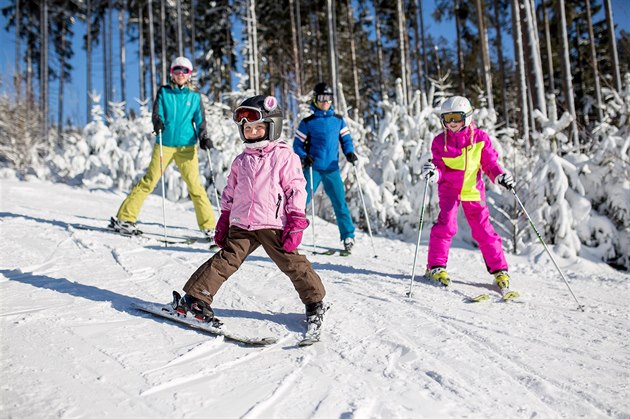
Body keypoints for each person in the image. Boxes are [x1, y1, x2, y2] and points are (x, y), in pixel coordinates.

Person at [173, 95, 327, 330]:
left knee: (292, 263)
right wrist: (225, 218)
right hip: (242, 224)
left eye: (258, 128)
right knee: (225, 260)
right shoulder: (241, 161)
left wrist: (296, 219)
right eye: (248, 129)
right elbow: (230, 192)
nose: (252, 133)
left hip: (272, 223)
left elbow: (296, 187)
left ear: (272, 127)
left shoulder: (283, 155)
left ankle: (315, 301)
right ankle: (195, 298)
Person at [109, 56, 216, 241]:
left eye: (184, 71)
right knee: (149, 181)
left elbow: (200, 121)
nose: (180, 74)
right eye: (177, 70)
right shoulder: (164, 92)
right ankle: (124, 219)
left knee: (196, 187)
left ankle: (210, 228)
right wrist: (157, 122)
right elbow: (157, 112)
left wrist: (204, 137)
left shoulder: (194, 97)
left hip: (187, 147)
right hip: (164, 144)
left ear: (189, 75)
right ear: (172, 73)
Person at [422, 96, 516, 292]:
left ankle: (500, 270)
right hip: (450, 189)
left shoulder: (480, 138)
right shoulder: (440, 142)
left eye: (456, 117)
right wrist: (433, 173)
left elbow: (490, 165)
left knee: (483, 229)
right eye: (447, 119)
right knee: (446, 224)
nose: (452, 123)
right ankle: (436, 266)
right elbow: (439, 168)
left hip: (472, 189)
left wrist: (500, 177)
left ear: (467, 117)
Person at [292, 82, 357, 253]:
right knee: (299, 203)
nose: (325, 102)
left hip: (331, 169)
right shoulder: (308, 122)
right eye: (321, 98)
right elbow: (297, 145)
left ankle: (348, 236)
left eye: (328, 98)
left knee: (340, 203)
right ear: (315, 99)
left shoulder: (338, 120)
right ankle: (292, 232)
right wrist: (305, 157)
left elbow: (346, 140)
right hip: (313, 169)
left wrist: (349, 152)